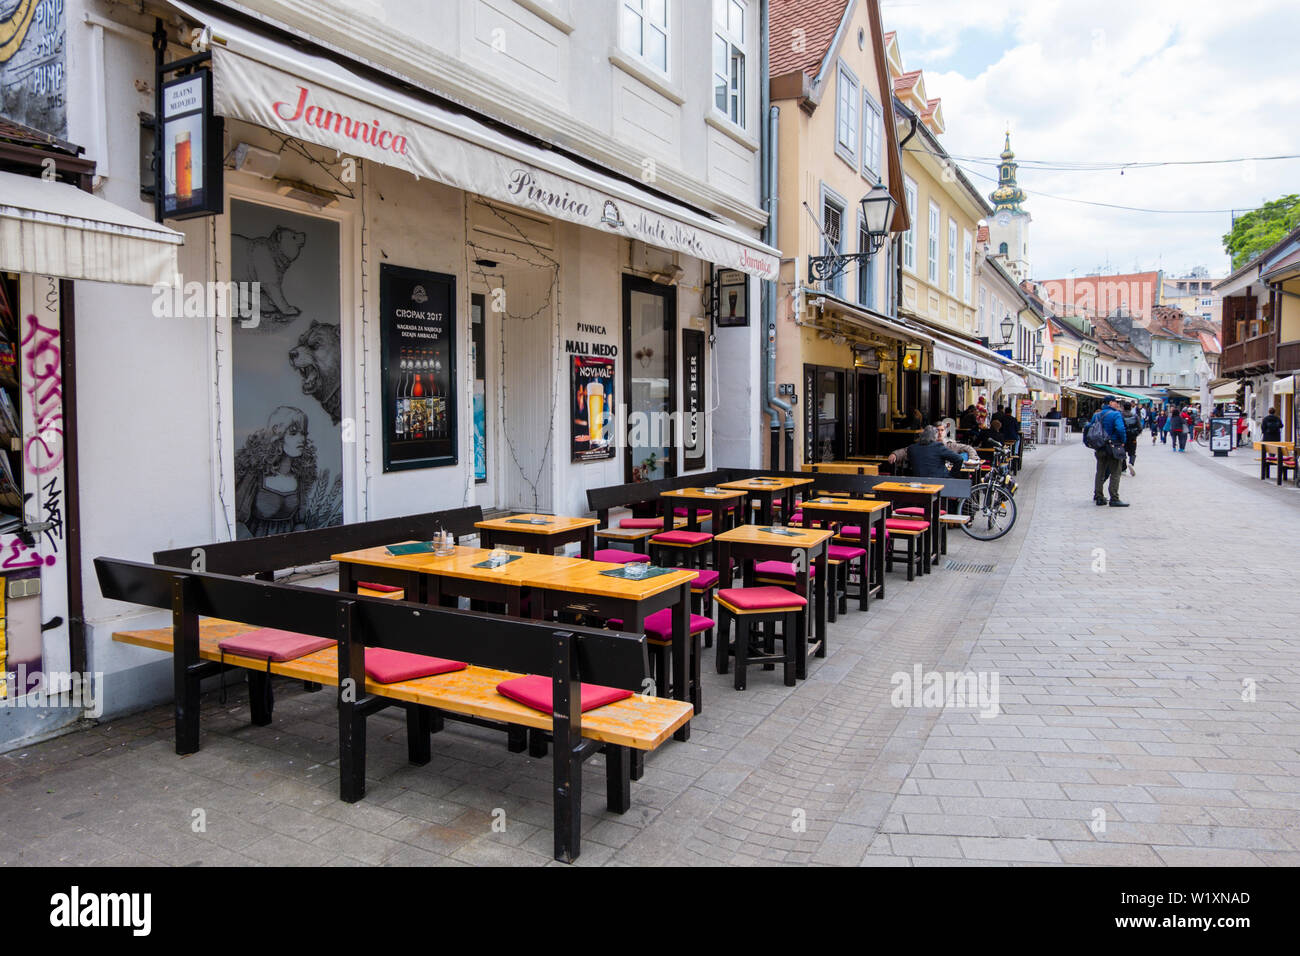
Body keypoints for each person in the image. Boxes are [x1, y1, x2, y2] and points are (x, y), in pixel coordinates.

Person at [235, 405, 319, 538]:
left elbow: (300, 523)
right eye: (293, 433)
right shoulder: (255, 475)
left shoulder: (298, 477)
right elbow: (237, 522)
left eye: (303, 433)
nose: (301, 439)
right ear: (277, 434)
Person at [1089, 397, 1128, 507]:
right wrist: (1123, 441)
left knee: (1100, 472)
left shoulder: (1097, 415)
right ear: (1111, 403)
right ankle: (1114, 498)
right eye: (1116, 402)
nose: (1117, 404)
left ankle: (1099, 497)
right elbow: (1120, 429)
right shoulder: (1115, 414)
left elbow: (1089, 427)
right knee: (1115, 472)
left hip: (1100, 447)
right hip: (1113, 446)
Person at [1121, 401, 1142, 476]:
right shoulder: (1135, 416)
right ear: (1131, 407)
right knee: (1132, 452)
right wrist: (1136, 434)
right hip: (1132, 436)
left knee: (1122, 453)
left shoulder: (1120, 415)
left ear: (1123, 407)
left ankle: (1123, 469)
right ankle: (1131, 463)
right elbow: (1140, 427)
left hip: (1123, 437)